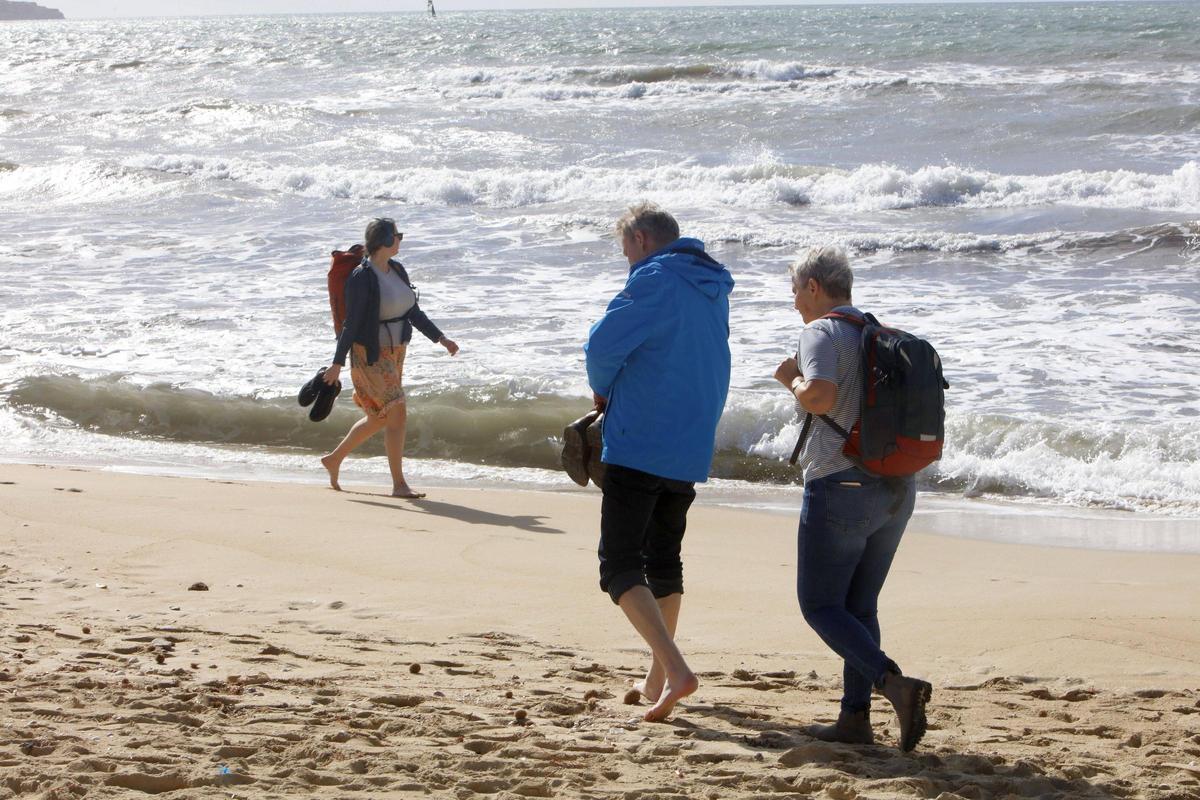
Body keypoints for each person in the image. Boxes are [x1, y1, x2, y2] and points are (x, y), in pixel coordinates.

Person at [772, 246, 931, 751]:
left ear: (814, 287)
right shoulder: (875, 333)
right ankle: (854, 720)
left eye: (796, 289)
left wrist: (789, 378)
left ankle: (893, 684)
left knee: (820, 604)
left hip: (841, 485)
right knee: (860, 607)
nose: (794, 300)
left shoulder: (821, 331)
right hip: (897, 488)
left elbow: (818, 394)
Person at [584, 202, 734, 722]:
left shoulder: (654, 278)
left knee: (618, 565)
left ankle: (675, 670)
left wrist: (603, 393)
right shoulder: (711, 287)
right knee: (663, 560)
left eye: (627, 252)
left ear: (643, 240)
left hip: (640, 437)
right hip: (690, 442)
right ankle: (654, 679)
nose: (628, 263)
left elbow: (601, 347)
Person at [320, 218, 458, 498]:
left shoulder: (397, 270)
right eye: (398, 236)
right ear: (385, 240)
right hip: (369, 354)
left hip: (396, 352)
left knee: (380, 417)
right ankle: (399, 484)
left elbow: (413, 311)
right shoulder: (362, 277)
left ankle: (333, 459)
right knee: (397, 410)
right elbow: (351, 323)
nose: (400, 240)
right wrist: (338, 362)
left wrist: (441, 338)